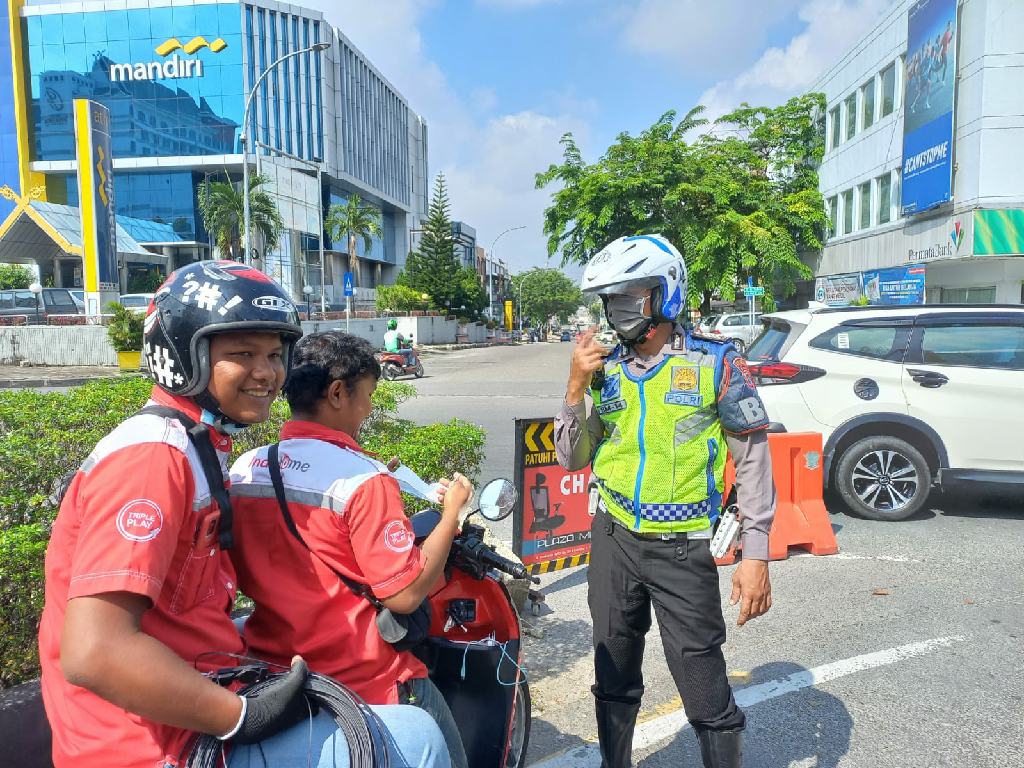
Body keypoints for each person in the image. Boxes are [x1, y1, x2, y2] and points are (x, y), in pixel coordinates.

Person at [38, 262, 449, 768]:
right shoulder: (152, 460)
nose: (267, 372)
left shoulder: (204, 448)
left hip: (194, 707)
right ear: (183, 354)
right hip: (157, 748)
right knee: (416, 736)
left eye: (275, 355)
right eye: (242, 354)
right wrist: (240, 715)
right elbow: (94, 651)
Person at [553, 235, 776, 768]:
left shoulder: (716, 363)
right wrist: (574, 386)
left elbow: (753, 460)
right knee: (613, 670)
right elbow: (571, 458)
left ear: (665, 293)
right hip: (613, 542)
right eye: (612, 298)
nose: (619, 308)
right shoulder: (604, 366)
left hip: (683, 551)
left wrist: (757, 552)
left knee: (702, 684)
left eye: (632, 294)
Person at [228, 330, 471, 768]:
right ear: (338, 392)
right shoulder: (364, 481)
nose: (370, 407)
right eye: (369, 394)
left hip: (273, 673)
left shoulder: (249, 466)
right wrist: (452, 512)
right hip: (361, 677)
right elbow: (404, 592)